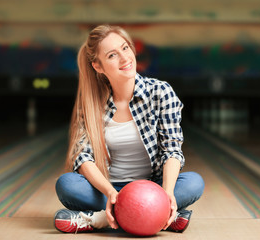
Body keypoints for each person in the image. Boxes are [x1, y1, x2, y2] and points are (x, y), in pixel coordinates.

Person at [54, 24, 204, 234]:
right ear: (98, 66)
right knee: (67, 184)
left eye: (125, 48)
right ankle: (153, 216)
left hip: (153, 188)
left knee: (194, 182)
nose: (125, 58)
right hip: (109, 189)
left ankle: (99, 219)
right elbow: (83, 157)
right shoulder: (91, 103)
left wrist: (167, 193)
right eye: (112, 55)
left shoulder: (161, 92)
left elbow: (172, 150)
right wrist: (110, 192)